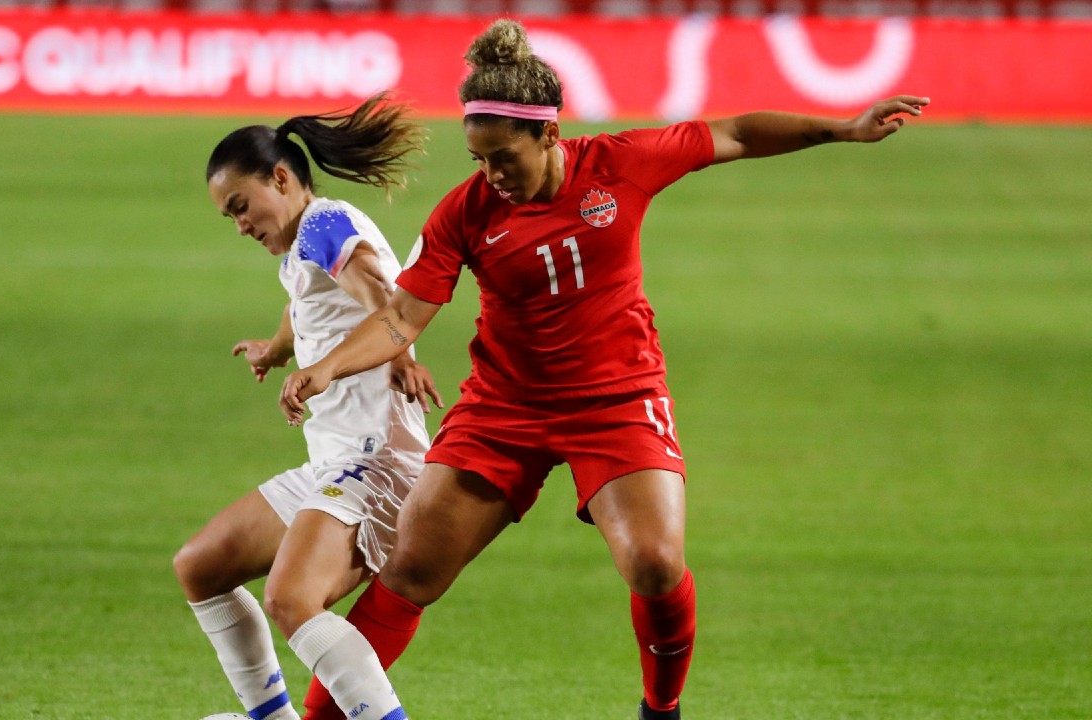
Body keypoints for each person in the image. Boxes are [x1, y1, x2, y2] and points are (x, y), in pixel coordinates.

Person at [277, 18, 929, 720]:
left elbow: (737, 133)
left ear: (548, 136)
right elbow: (403, 318)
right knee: (411, 568)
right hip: (506, 407)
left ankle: (660, 709)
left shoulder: (622, 163)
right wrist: (328, 367)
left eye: (503, 158)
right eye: (478, 160)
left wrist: (844, 130)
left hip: (616, 398)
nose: (492, 176)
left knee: (653, 563)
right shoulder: (464, 213)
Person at [173, 92, 442, 720]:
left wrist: (399, 354)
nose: (240, 224)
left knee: (291, 598)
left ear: (283, 178)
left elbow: (382, 291)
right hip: (336, 463)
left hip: (377, 463)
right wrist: (275, 349)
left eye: (241, 206)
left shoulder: (324, 224)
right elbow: (307, 302)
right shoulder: (305, 244)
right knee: (202, 565)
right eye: (229, 216)